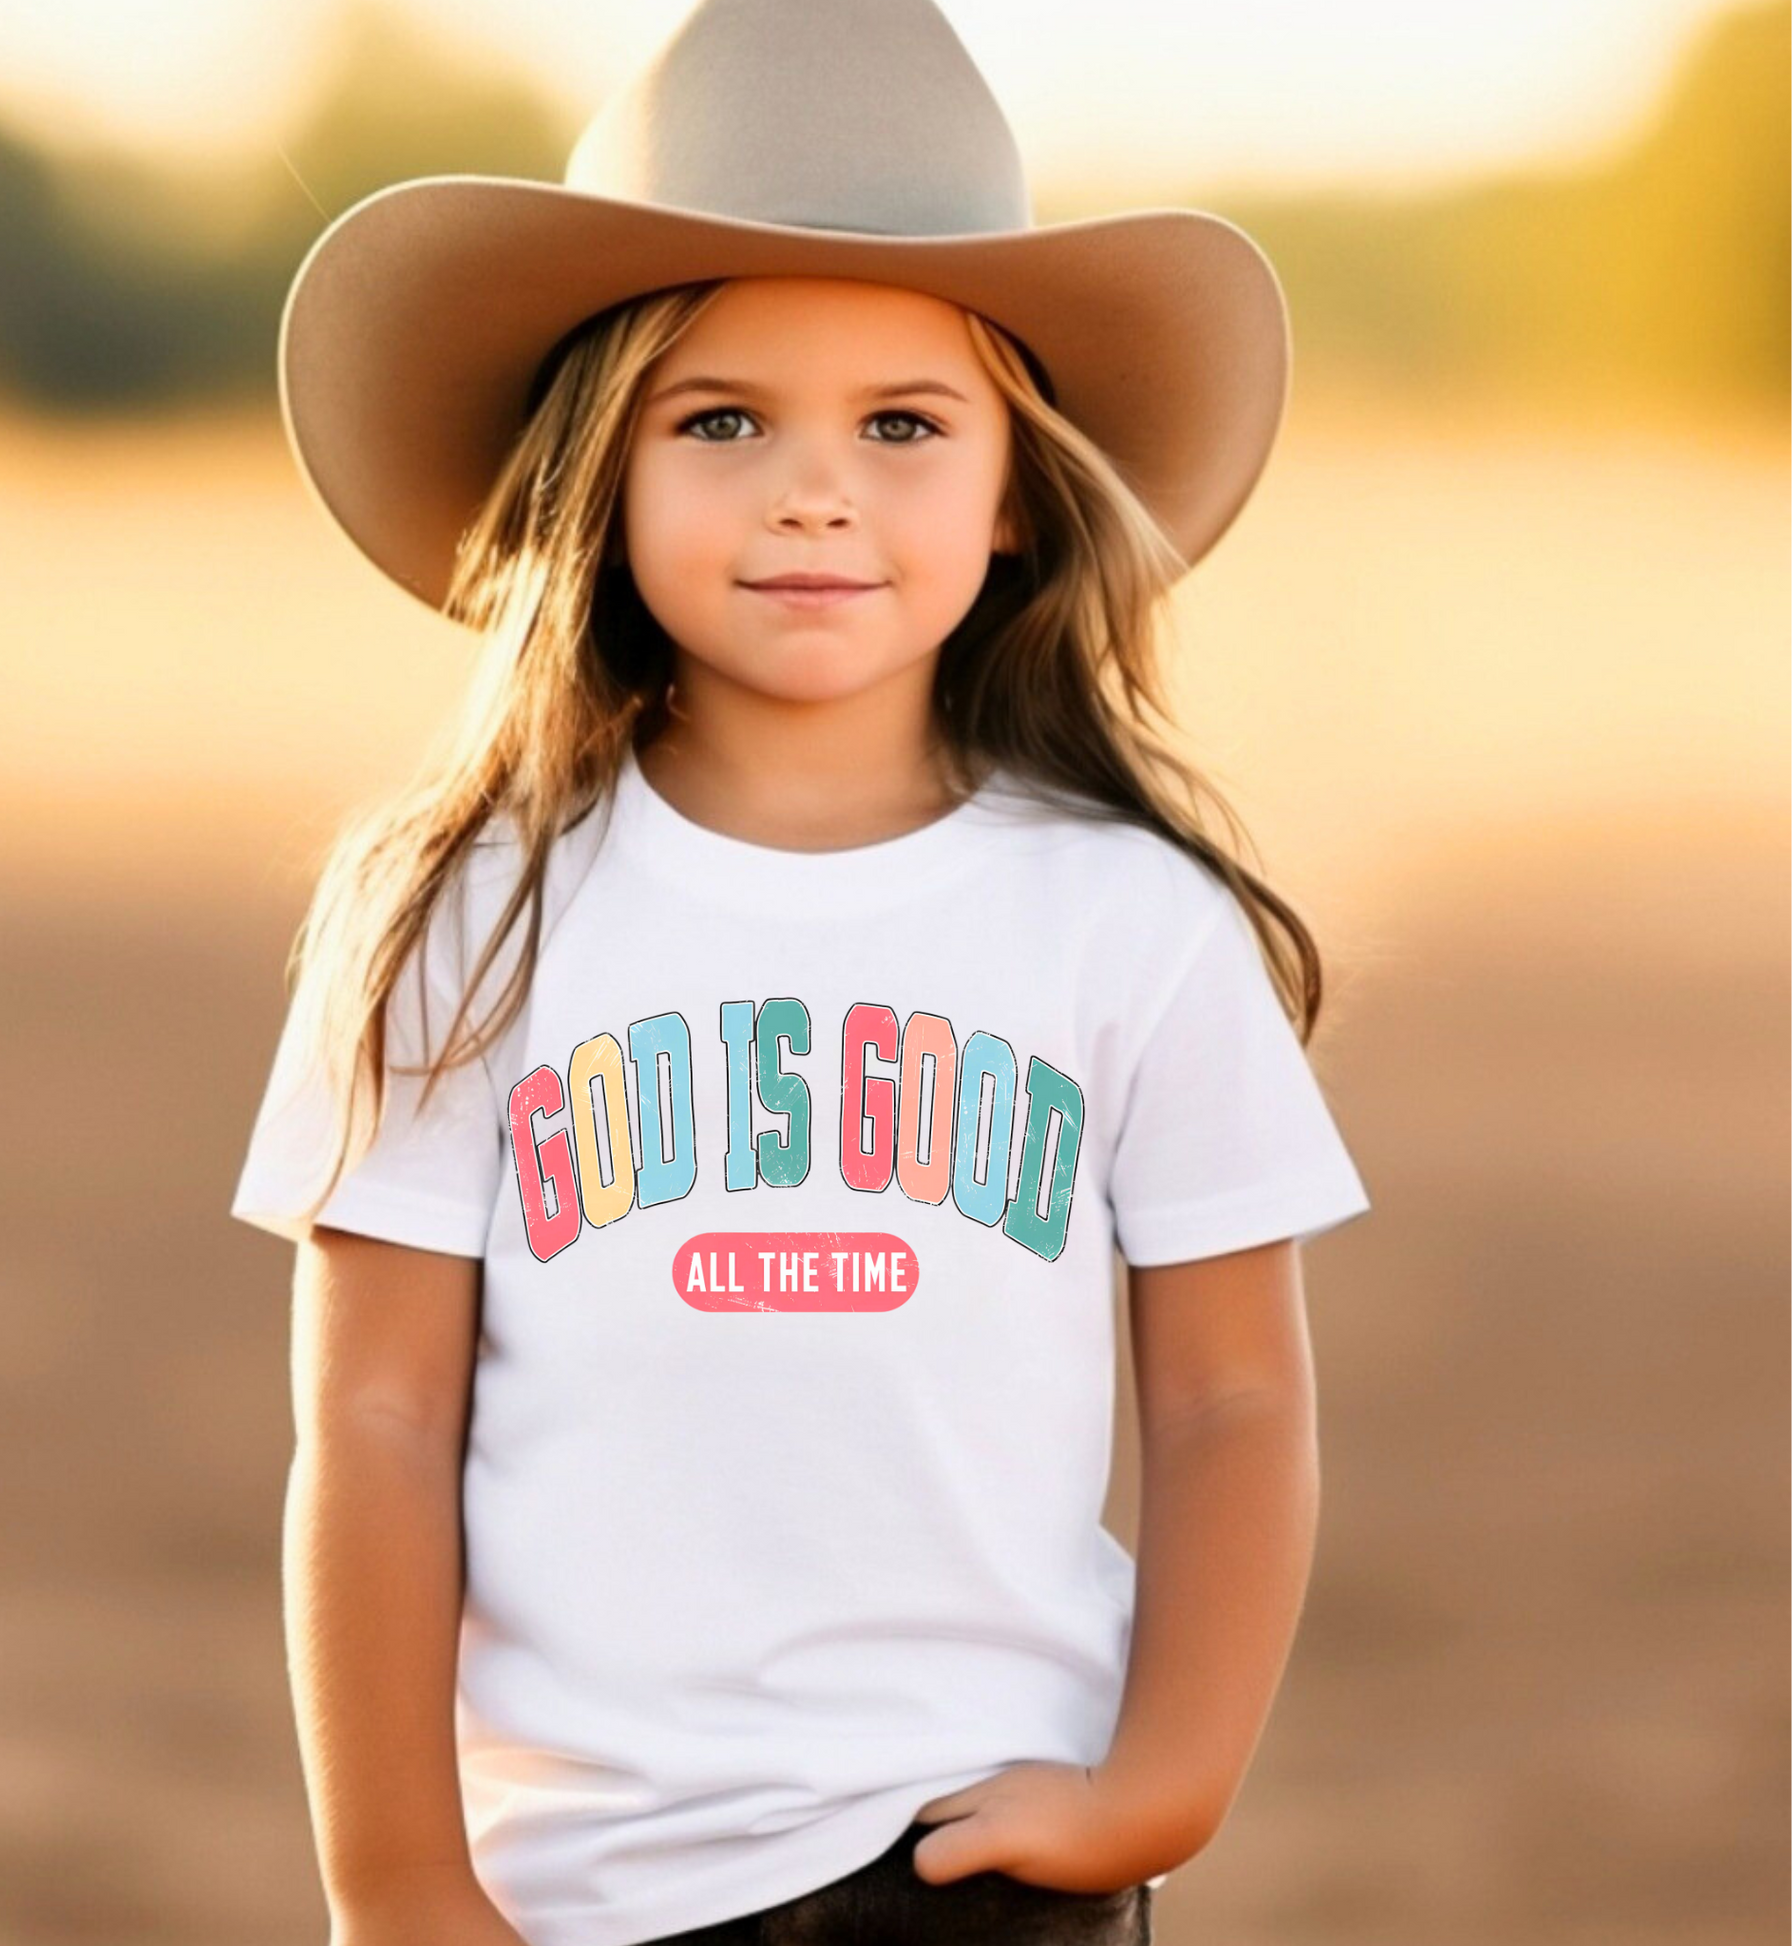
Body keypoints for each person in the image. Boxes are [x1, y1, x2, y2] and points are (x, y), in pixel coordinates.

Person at [228, 3, 1373, 1942]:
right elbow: (373, 1422)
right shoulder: (456, 911)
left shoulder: (1132, 920)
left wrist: (1157, 1785)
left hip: (976, 1861)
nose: (812, 490)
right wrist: (401, 1883)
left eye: (902, 425)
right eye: (720, 420)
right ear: (595, 472)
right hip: (579, 1887)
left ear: (1015, 491)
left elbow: (1231, 1399)